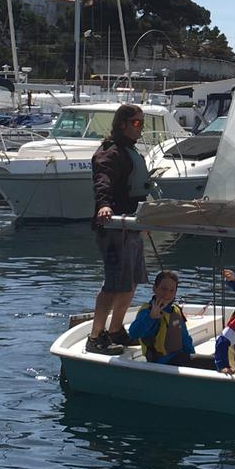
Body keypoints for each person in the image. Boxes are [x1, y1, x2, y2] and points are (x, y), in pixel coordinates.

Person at [87, 104, 151, 355]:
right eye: (136, 122)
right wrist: (104, 205)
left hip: (133, 225)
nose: (140, 127)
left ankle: (115, 330)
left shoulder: (130, 151)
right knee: (114, 284)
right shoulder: (110, 152)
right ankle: (95, 337)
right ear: (122, 124)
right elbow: (102, 180)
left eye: (142, 123)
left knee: (131, 281)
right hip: (114, 227)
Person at [128, 270, 196, 367]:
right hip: (161, 364)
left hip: (179, 359)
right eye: (164, 289)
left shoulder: (175, 311)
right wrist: (151, 317)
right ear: (155, 288)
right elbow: (133, 333)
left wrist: (193, 357)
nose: (167, 294)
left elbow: (185, 338)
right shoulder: (147, 312)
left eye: (172, 291)